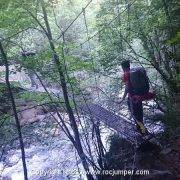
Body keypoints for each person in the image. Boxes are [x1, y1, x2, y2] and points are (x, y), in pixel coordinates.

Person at [119, 60, 147, 134]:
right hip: (139, 96)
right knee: (139, 112)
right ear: (129, 65)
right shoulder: (133, 72)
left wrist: (122, 99)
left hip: (132, 98)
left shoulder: (127, 74)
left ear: (122, 67)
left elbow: (127, 88)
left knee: (135, 114)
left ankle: (142, 130)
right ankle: (142, 129)